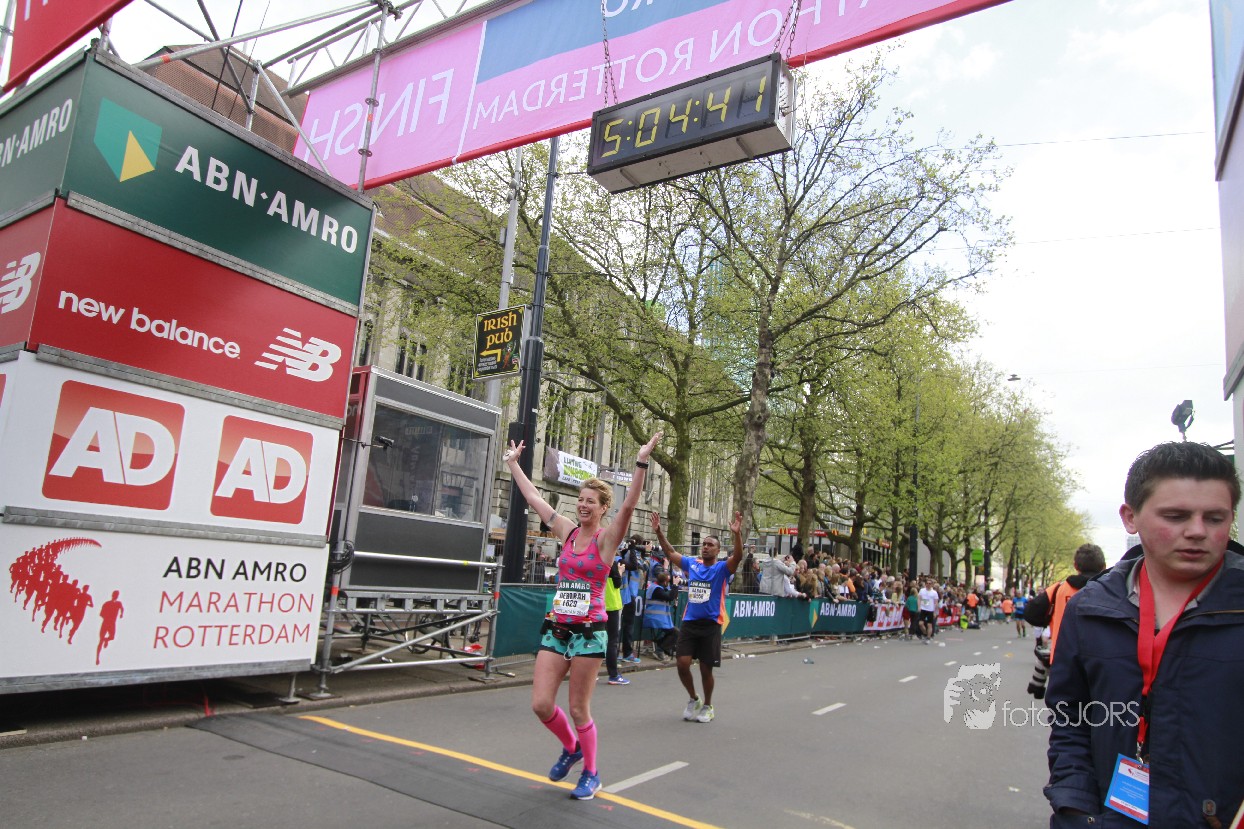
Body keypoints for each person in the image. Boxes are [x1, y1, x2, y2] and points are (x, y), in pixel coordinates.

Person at [1044, 441, 1244, 825]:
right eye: (1176, 516)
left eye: (1215, 518)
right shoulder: (1088, 610)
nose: (1197, 531)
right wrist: (1075, 806)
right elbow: (1069, 719)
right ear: (1130, 517)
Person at [503, 431, 661, 801]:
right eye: (581, 500)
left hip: (590, 632)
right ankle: (571, 748)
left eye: (591, 501)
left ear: (603, 508)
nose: (583, 505)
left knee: (578, 708)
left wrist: (641, 462)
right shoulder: (567, 532)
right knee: (541, 704)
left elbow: (629, 506)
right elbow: (534, 498)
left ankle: (591, 772)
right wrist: (513, 465)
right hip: (558, 628)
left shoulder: (607, 540)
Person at [650, 509, 744, 724]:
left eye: (710, 545)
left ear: (718, 550)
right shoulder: (692, 564)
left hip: (711, 624)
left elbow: (738, 557)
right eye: (704, 544)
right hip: (690, 622)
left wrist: (737, 534)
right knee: (682, 663)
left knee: (705, 668)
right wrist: (659, 532)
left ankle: (708, 705)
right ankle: (694, 698)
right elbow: (670, 552)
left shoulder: (721, 568)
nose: (706, 547)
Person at [641, 570, 679, 661]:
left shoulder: (655, 587)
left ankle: (662, 648)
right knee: (675, 632)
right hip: (655, 618)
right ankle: (659, 650)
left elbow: (669, 594)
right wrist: (675, 585)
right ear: (665, 582)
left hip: (656, 618)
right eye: (668, 582)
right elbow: (670, 597)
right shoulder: (657, 590)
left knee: (673, 632)